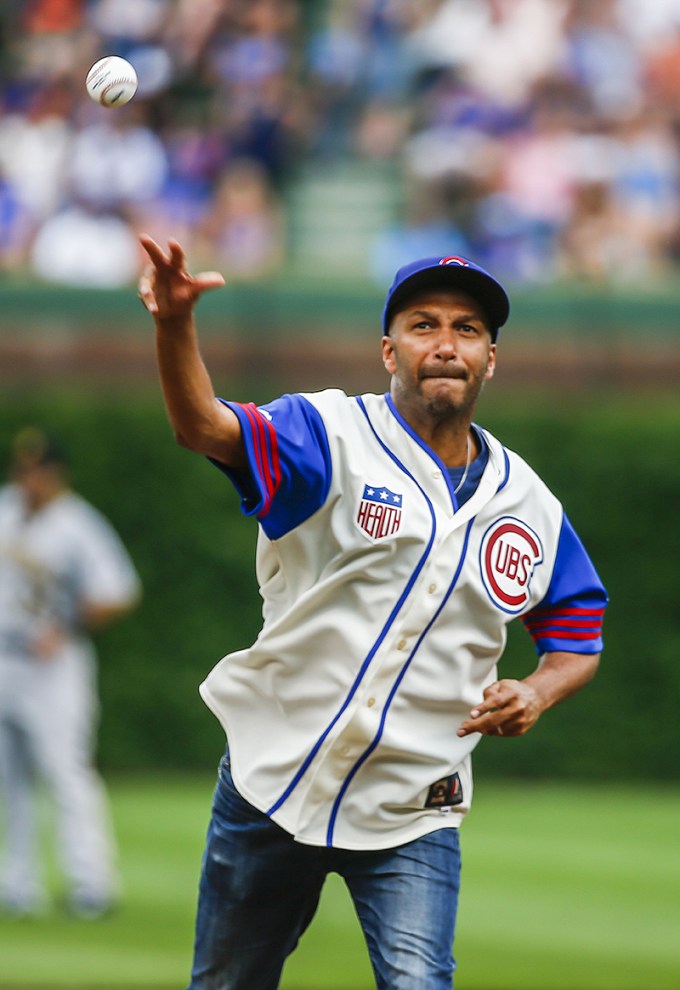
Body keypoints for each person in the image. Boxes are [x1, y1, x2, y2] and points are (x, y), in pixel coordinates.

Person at [138, 235, 607, 990]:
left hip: (412, 808)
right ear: (388, 352)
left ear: (492, 357)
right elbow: (203, 426)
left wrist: (538, 691)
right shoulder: (328, 436)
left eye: (467, 329)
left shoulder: (530, 505)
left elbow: (577, 639)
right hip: (273, 779)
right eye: (423, 325)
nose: (446, 344)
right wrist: (172, 326)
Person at [0, 427, 142, 919]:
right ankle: (18, 885)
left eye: (38, 469)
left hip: (55, 664)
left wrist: (68, 626)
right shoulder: (4, 511)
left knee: (67, 771)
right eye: (23, 468)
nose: (29, 477)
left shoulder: (78, 524)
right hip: (3, 657)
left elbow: (119, 590)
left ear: (56, 473)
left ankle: (91, 883)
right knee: (7, 777)